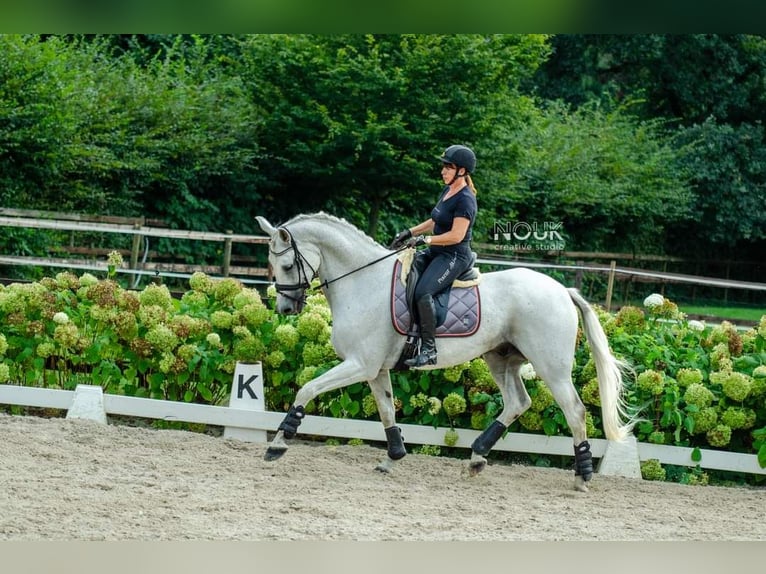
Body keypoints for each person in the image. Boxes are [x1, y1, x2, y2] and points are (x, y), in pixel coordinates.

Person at [389, 144, 478, 367]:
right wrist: (409, 232)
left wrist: (425, 240)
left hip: (454, 256)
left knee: (423, 292)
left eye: (448, 167)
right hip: (437, 251)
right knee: (403, 271)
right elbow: (435, 220)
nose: (443, 171)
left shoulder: (465, 199)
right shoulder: (448, 190)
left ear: (462, 171)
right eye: (444, 167)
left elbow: (457, 235)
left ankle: (429, 349)